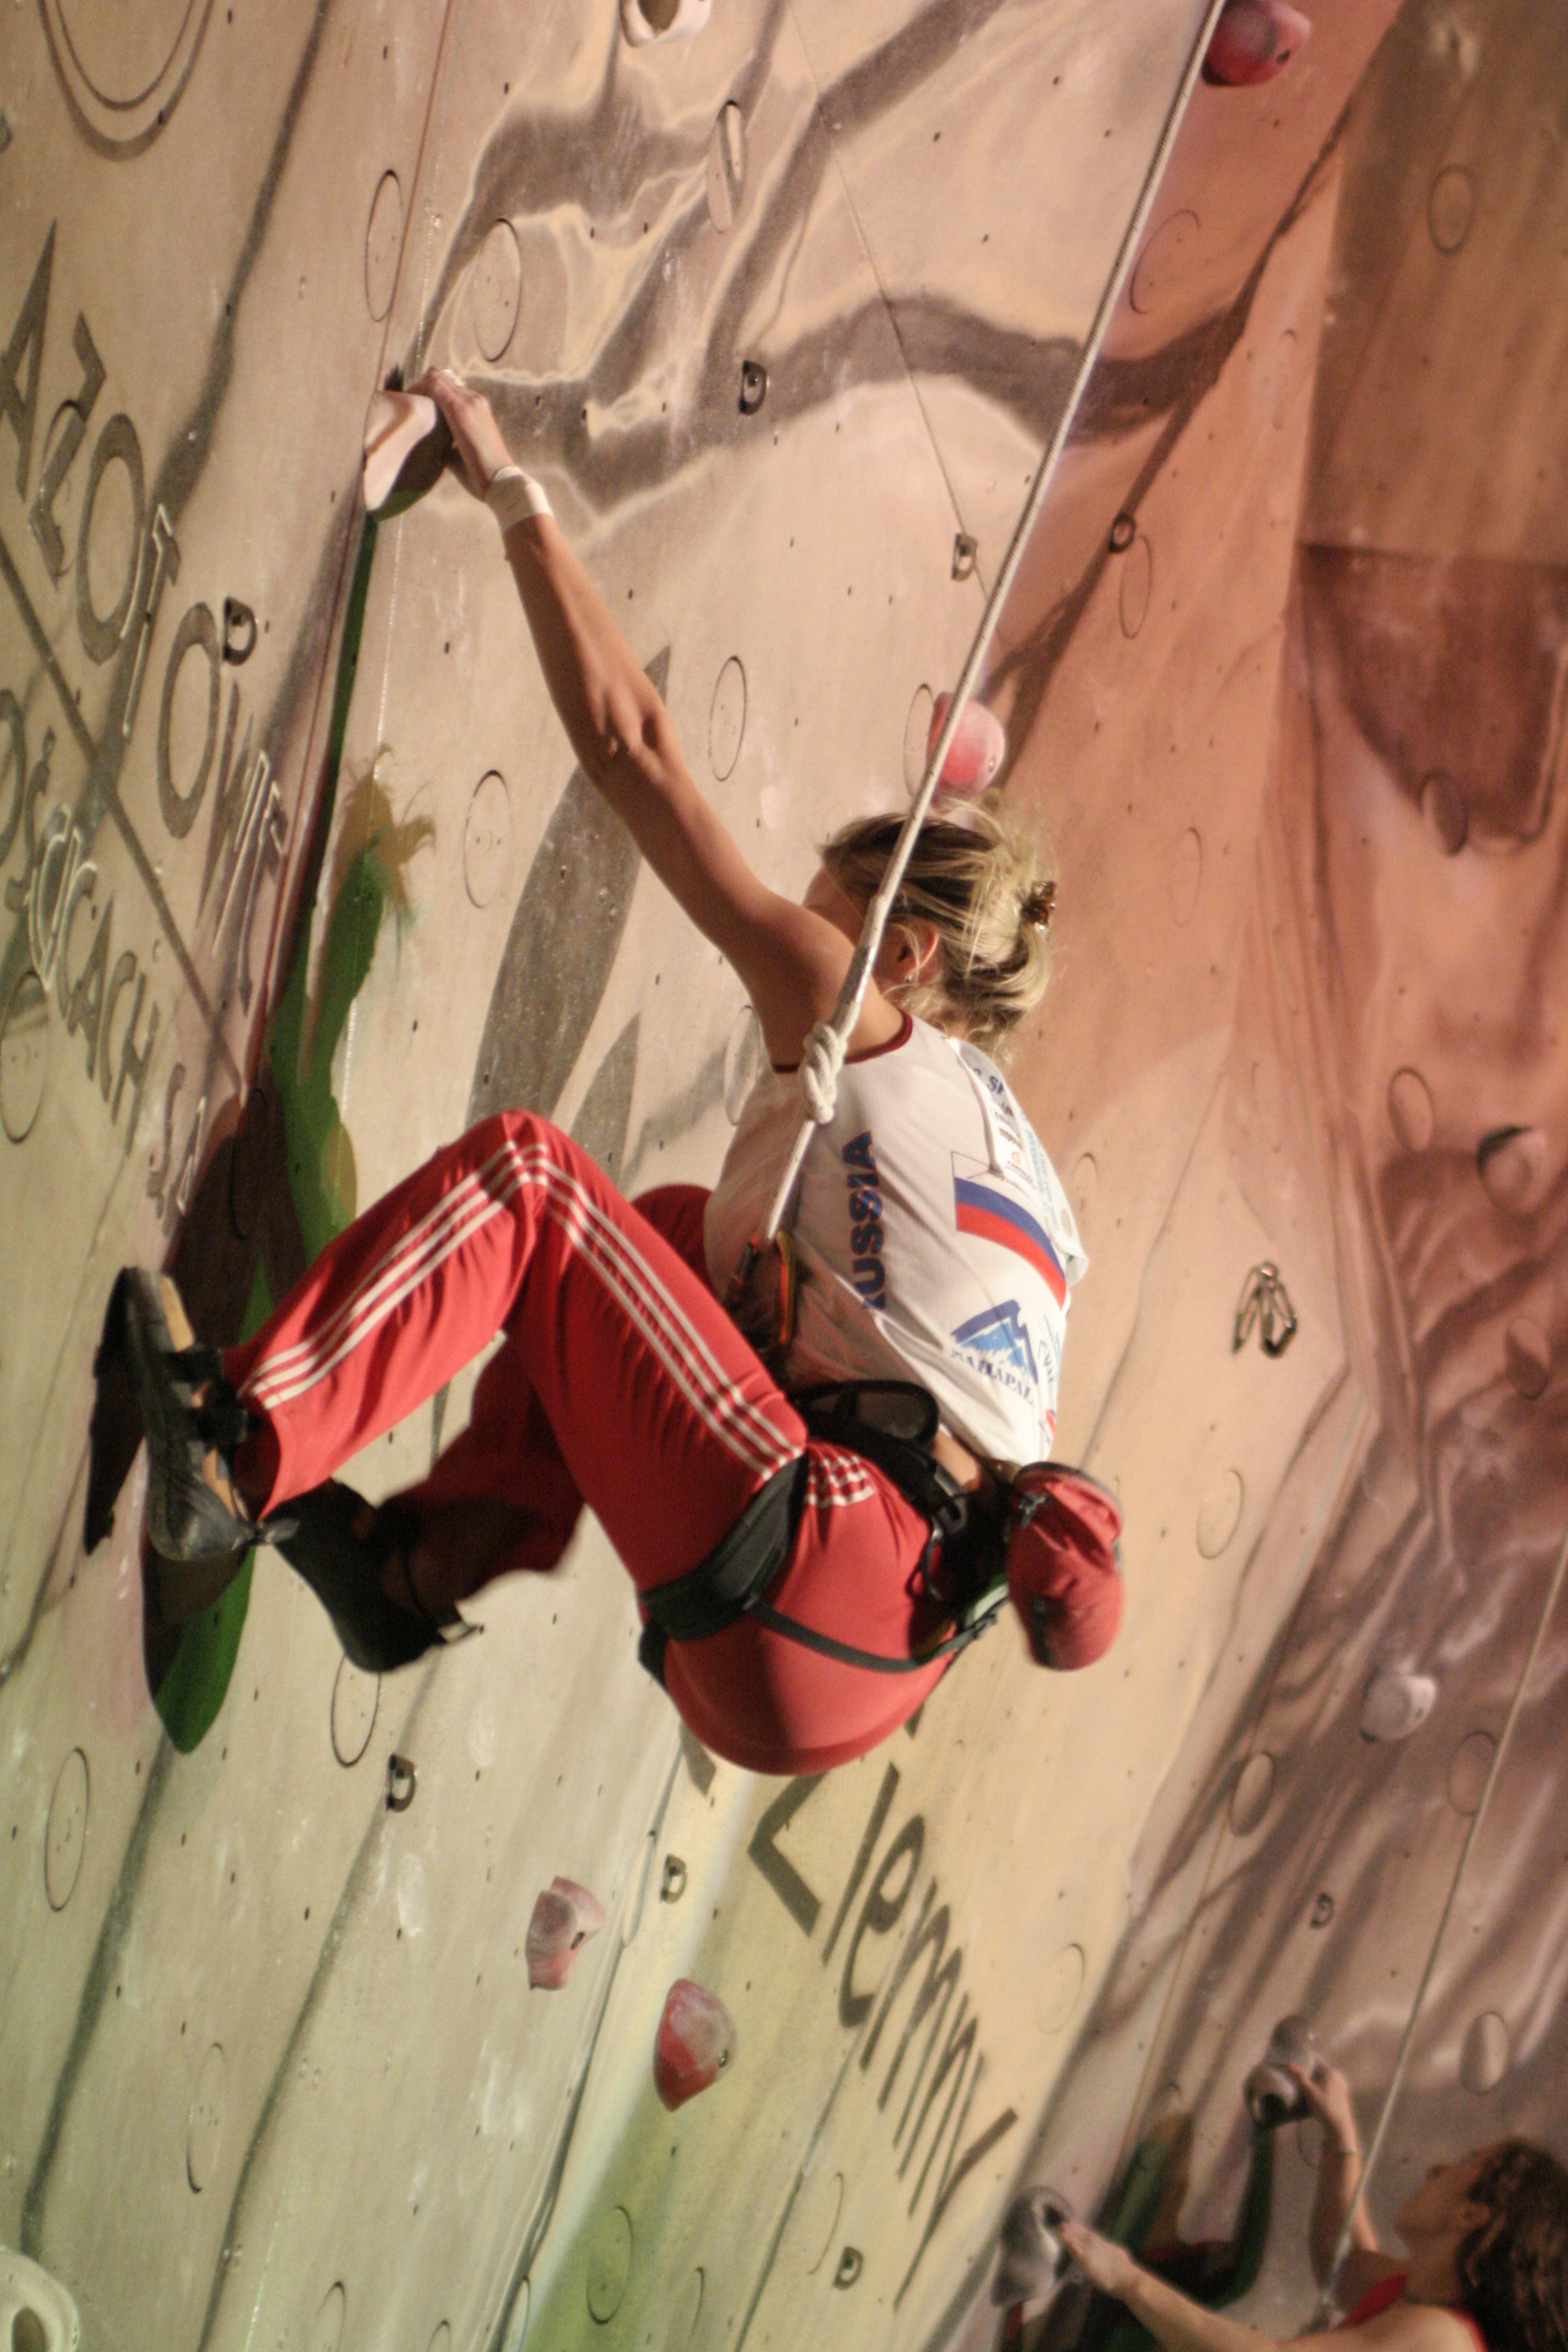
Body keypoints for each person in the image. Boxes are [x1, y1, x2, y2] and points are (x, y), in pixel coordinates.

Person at [97, 368, 1121, 1778]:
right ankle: (412, 1572)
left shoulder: (856, 1007)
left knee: (532, 1185)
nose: (796, 930)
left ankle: (235, 1457)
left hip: (807, 1570)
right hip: (859, 1668)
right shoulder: (1032, 1197)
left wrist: (510, 490)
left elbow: (633, 753)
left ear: (903, 953)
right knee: (677, 1233)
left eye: (826, 905)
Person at [1057, 2060, 1568, 2352]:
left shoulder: (1439, 2341)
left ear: (1470, 2215)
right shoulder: (1420, 2294)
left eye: (1463, 2164)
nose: (1436, 2170)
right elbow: (1342, 2261)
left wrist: (1129, 2281)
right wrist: (1341, 2139)